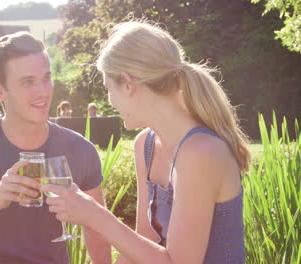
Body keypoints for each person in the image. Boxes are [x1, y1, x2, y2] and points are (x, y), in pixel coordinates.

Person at [41, 21, 251, 264]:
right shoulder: (146, 145)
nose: (111, 101)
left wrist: (95, 216)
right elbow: (143, 249)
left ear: (128, 85)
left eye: (109, 89)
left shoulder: (201, 152)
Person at [0, 31, 111, 264]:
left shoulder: (80, 150)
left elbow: (98, 235)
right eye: (28, 82)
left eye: (46, 78)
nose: (43, 91)